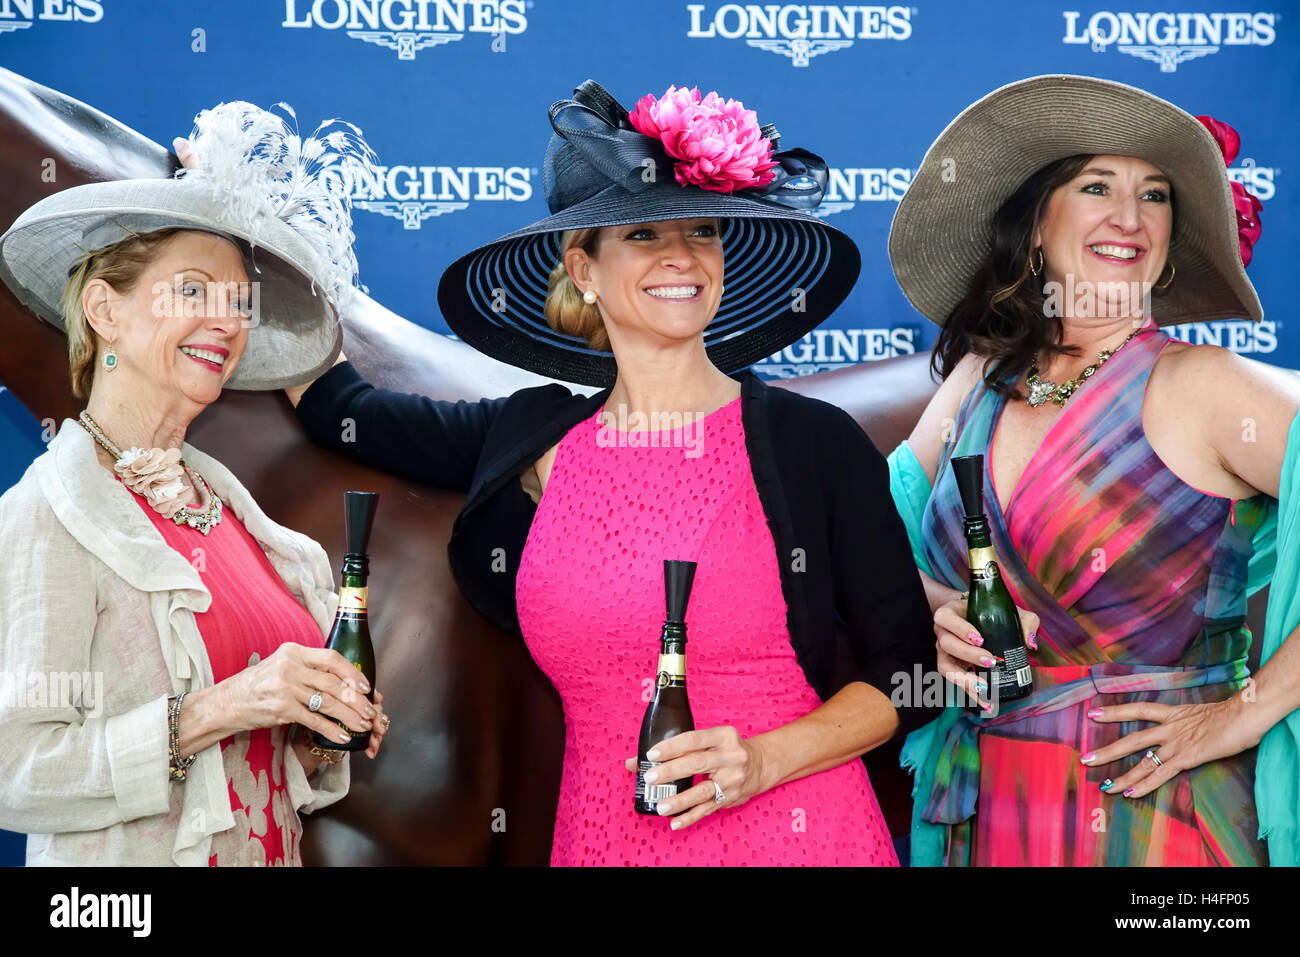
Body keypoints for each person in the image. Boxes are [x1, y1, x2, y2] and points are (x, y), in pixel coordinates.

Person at [287, 80, 936, 865]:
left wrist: (763, 758)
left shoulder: (814, 442)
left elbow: (908, 668)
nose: (681, 255)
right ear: (583, 267)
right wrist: (242, 229)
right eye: (642, 233)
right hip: (602, 840)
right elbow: (337, 405)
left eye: (703, 230)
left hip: (798, 831)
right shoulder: (528, 436)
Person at [886, 74, 1300, 866]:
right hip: (983, 806)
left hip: (1156, 818)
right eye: (1097, 185)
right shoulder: (978, 379)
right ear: (1037, 224)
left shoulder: (1206, 385)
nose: (1129, 216)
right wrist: (940, 612)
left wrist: (1243, 712)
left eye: (1155, 195)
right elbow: (877, 545)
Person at [0, 102, 388, 865]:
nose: (227, 319)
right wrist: (226, 705)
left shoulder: (260, 536)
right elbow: (16, 771)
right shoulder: (45, 518)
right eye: (193, 291)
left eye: (239, 300)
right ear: (103, 309)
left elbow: (266, 778)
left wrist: (315, 728)